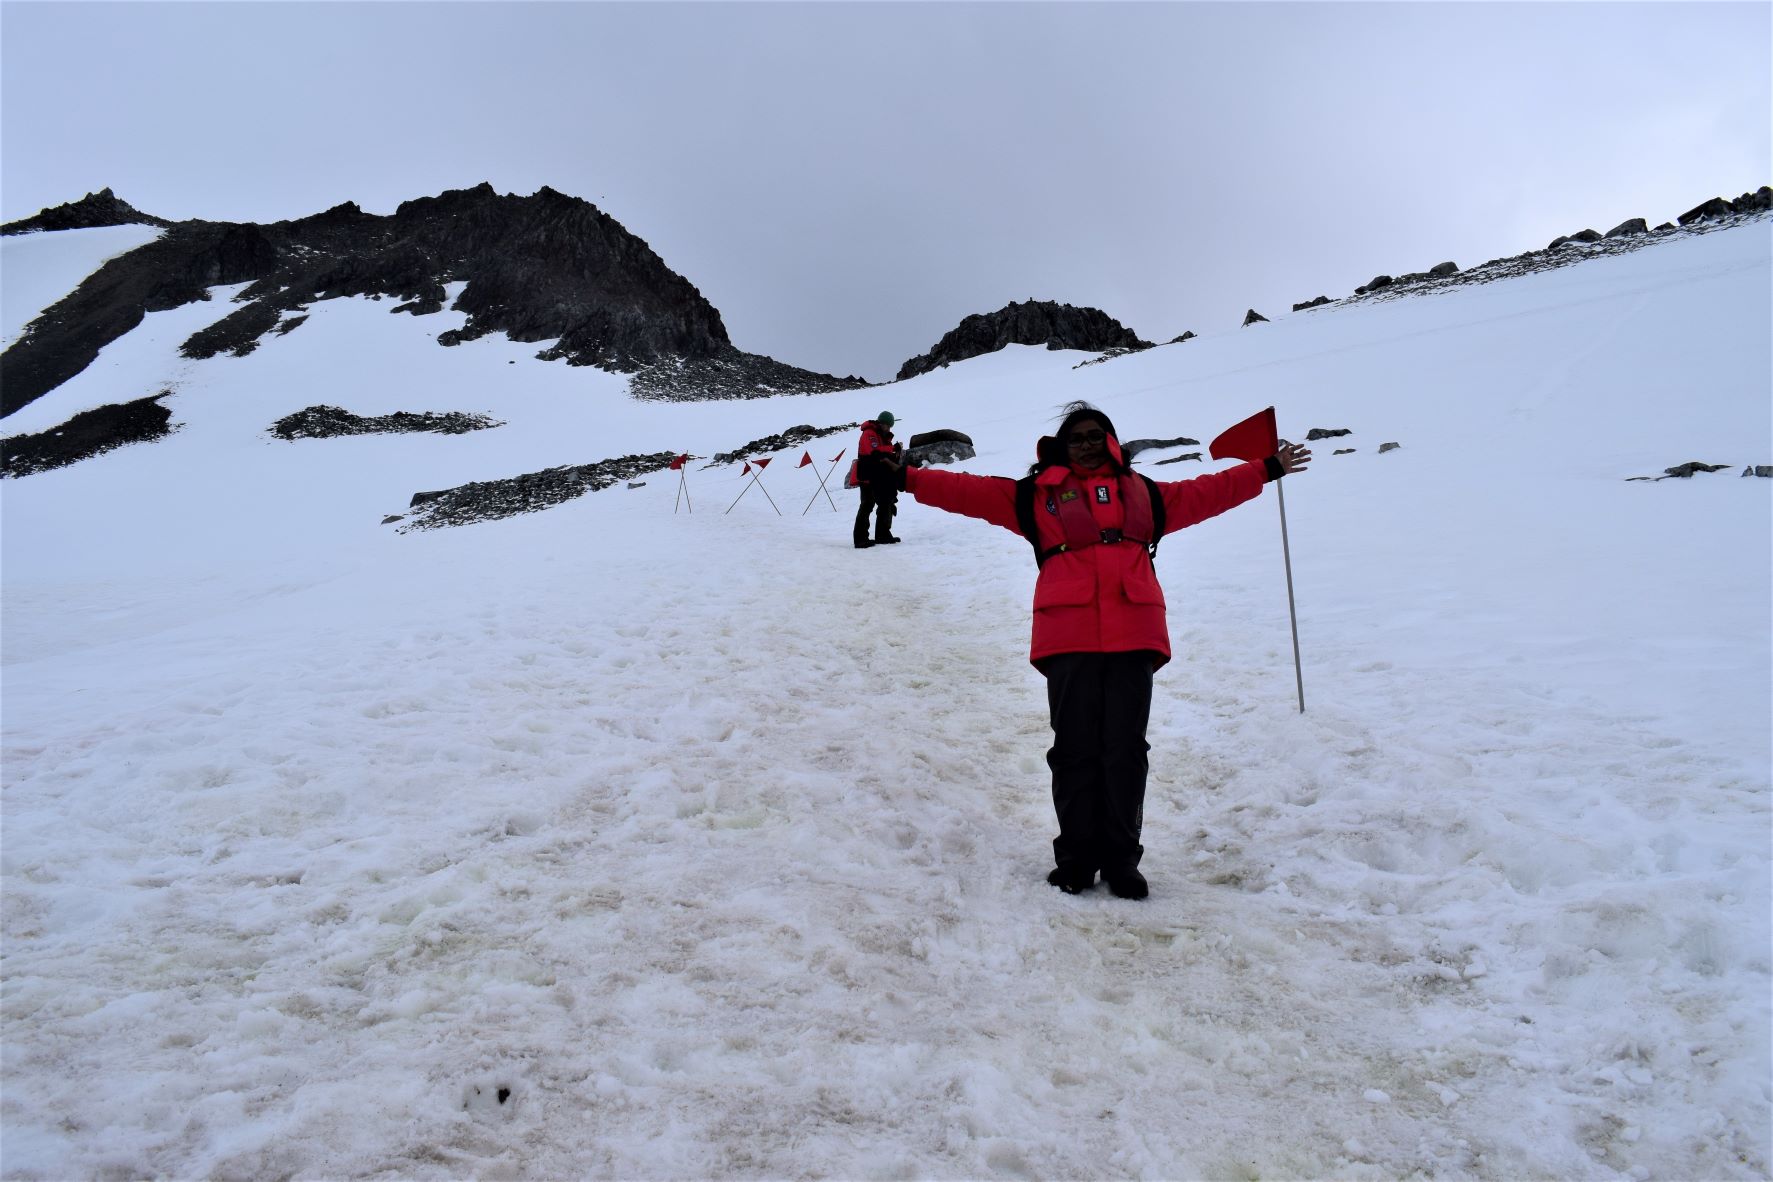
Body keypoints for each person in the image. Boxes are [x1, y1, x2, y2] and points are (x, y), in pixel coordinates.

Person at [900, 401, 1311, 899]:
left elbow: (1211, 490)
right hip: (1068, 634)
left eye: (1097, 435)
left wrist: (1267, 468)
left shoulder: (1149, 496)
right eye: (1078, 438)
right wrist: (908, 479)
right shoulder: (1035, 497)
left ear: (1112, 442)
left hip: (1134, 631)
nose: (1089, 444)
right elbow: (967, 490)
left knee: (1125, 751)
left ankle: (1122, 860)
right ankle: (1075, 859)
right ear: (1062, 447)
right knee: (1074, 751)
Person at [853, 411, 904, 548]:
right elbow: (873, 452)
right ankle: (860, 538)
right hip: (867, 475)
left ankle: (883, 535)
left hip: (878, 476)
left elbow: (883, 454)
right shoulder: (869, 433)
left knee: (886, 501)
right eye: (885, 424)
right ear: (880, 422)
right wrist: (892, 448)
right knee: (867, 504)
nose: (887, 428)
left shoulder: (882, 436)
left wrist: (894, 453)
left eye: (889, 426)